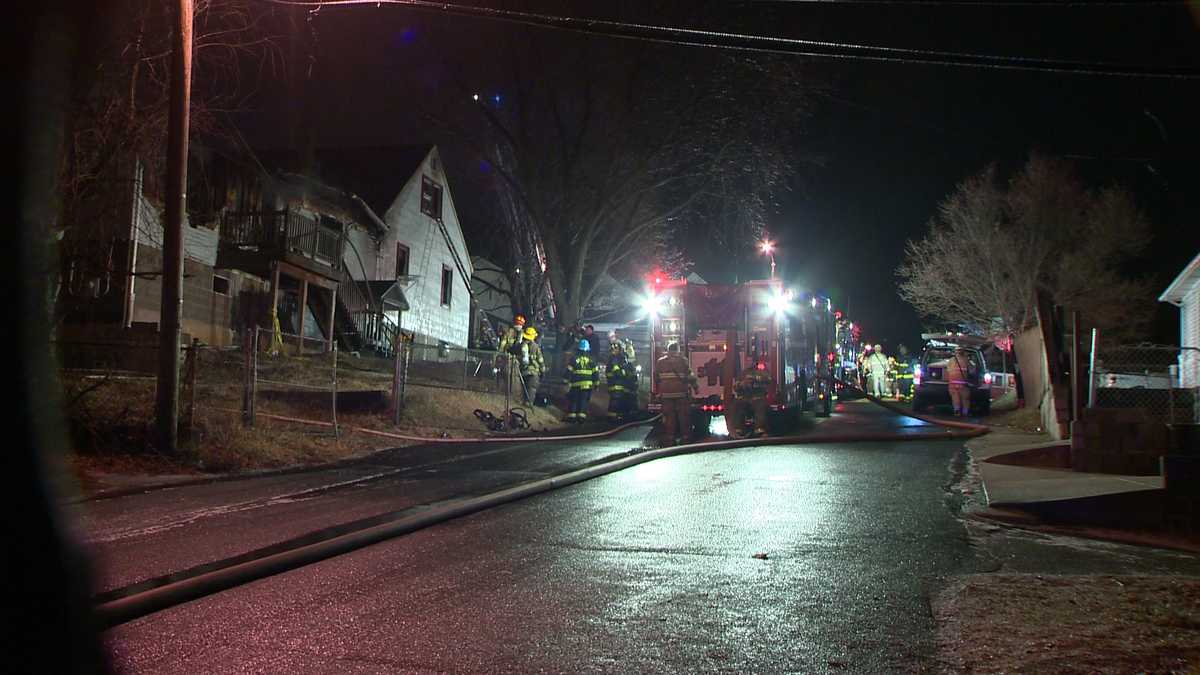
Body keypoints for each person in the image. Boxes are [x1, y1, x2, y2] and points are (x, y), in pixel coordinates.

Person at [654, 341, 698, 445]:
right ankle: (685, 438)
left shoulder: (660, 362)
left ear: (668, 350)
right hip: (681, 394)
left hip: (666, 395)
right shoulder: (683, 361)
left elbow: (656, 377)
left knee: (669, 417)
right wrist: (696, 387)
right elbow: (690, 376)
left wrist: (661, 390)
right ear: (678, 350)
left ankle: (670, 438)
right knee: (683, 416)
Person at [731, 360, 773, 437]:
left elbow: (769, 379)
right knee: (737, 404)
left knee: (760, 406)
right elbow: (735, 386)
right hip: (745, 398)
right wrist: (742, 384)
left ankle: (759, 428)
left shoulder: (763, 371)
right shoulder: (743, 373)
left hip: (758, 396)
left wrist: (755, 379)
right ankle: (738, 429)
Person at [565, 338, 599, 422]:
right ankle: (581, 417)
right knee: (583, 400)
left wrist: (566, 381)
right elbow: (595, 373)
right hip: (587, 385)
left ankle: (572, 416)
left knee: (574, 399)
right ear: (588, 349)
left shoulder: (574, 359)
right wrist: (596, 384)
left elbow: (568, 371)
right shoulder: (592, 359)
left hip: (575, 384)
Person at [605, 347, 637, 422]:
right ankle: (612, 418)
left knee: (620, 402)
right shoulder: (615, 360)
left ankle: (618, 417)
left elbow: (631, 375)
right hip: (616, 384)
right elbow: (617, 372)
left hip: (619, 385)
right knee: (615, 402)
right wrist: (624, 374)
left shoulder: (621, 361)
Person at [518, 326, 545, 406]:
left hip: (523, 371)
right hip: (534, 373)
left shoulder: (521, 345)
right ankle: (528, 404)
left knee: (523, 388)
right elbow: (541, 361)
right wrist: (543, 371)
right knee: (532, 388)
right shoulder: (536, 347)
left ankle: (520, 402)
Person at [945, 346, 975, 416]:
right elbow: (972, 371)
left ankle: (957, 411)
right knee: (965, 399)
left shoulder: (950, 360)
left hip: (952, 383)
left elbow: (948, 370)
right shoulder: (966, 360)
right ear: (963, 352)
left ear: (955, 352)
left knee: (955, 398)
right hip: (963, 384)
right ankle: (965, 413)